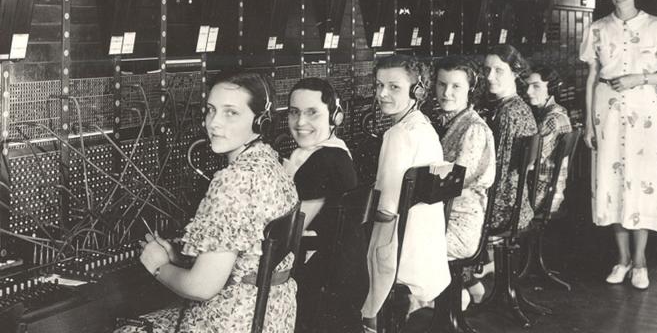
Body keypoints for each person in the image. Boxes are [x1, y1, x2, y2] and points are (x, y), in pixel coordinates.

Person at [116, 70, 299, 332]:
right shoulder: (272, 163)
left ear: (260, 121)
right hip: (273, 317)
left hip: (231, 321)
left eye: (231, 113)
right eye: (211, 110)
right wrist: (178, 258)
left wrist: (158, 266)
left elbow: (201, 288)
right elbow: (247, 260)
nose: (213, 123)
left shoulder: (234, 181)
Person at [580, 0, 657, 290]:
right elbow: (592, 77)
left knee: (641, 183)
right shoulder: (597, 28)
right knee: (612, 184)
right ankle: (622, 259)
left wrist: (640, 78)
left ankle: (640, 262)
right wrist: (587, 121)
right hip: (606, 112)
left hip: (644, 113)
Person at [361, 55, 448, 332]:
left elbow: (386, 210)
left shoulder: (397, 135)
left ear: (417, 90)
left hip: (398, 250)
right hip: (423, 246)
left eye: (393, 87)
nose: (382, 94)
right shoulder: (424, 126)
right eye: (379, 85)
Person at [283, 78, 367, 333]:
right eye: (294, 112)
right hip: (341, 278)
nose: (300, 122)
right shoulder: (334, 151)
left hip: (324, 289)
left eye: (312, 113)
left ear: (335, 117)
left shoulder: (324, 161)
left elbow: (290, 231)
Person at [433, 55, 496, 305]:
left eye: (456, 86)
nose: (447, 93)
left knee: (397, 242)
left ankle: (439, 299)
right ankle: (453, 294)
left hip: (460, 224)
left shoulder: (473, 129)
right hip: (444, 217)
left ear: (471, 88)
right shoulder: (449, 122)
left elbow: (453, 183)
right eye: (441, 84)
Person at [483, 44, 539, 233]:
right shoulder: (517, 106)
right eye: (487, 70)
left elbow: (499, 170)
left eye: (498, 70)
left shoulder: (508, 113)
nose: (490, 76)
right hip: (518, 205)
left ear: (515, 72)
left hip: (503, 211)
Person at [524, 66, 572, 215]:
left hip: (541, 194)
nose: (528, 92)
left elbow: (532, 160)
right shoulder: (558, 112)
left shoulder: (552, 119)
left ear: (550, 88)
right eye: (527, 86)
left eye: (536, 86)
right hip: (548, 189)